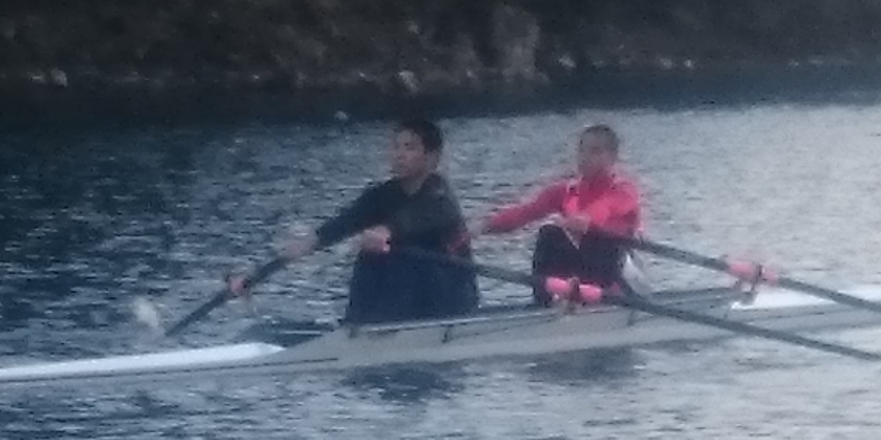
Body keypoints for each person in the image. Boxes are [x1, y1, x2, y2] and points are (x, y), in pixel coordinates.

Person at [232, 119, 479, 324]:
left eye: (409, 148)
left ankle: (373, 331)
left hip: (448, 298)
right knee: (370, 255)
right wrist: (256, 276)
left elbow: (414, 218)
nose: (399, 155)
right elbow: (338, 227)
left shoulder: (440, 197)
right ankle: (358, 328)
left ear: (432, 157)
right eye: (395, 147)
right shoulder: (381, 195)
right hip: (407, 300)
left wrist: (385, 231)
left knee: (391, 257)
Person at [473, 124, 644, 305]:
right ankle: (545, 303)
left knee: (593, 239)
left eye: (594, 152)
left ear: (612, 157)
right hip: (586, 270)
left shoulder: (624, 190)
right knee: (549, 234)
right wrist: (484, 226)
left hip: (616, 273)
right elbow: (526, 212)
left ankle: (582, 297)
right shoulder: (565, 191)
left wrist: (586, 219)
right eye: (582, 150)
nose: (584, 158)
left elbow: (607, 207)